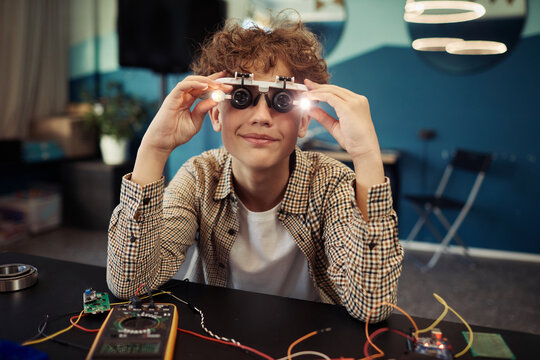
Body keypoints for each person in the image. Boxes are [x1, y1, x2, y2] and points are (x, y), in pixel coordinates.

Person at [106, 13, 403, 323]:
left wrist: (367, 154)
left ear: (303, 120)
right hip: (218, 334)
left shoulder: (331, 183)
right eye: (241, 97)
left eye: (282, 100)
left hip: (308, 340)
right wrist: (154, 149)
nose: (262, 116)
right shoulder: (199, 177)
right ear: (216, 115)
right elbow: (130, 284)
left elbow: (372, 306)